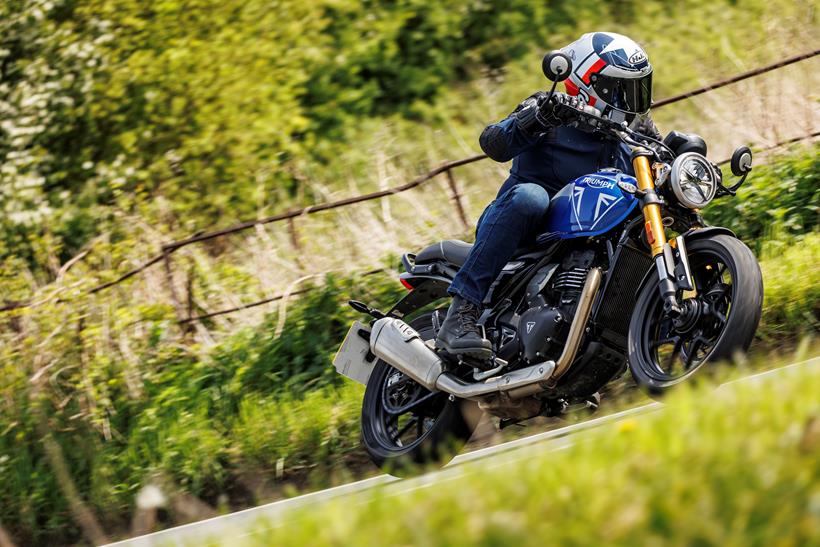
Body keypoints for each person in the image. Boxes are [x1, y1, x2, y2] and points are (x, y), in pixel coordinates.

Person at [435, 31, 661, 365]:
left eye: (633, 89)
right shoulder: (551, 108)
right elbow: (493, 143)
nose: (628, 101)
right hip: (521, 224)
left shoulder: (630, 131)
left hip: (586, 234)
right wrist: (536, 119)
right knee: (531, 197)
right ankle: (461, 314)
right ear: (588, 81)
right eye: (618, 89)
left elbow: (658, 154)